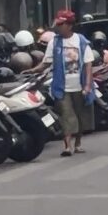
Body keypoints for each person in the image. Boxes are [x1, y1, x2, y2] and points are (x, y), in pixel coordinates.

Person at [40, 9, 95, 156]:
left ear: (69, 25)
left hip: (80, 85)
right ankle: (67, 146)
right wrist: (33, 70)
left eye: (61, 24)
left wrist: (88, 85)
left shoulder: (81, 41)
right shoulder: (54, 42)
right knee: (65, 115)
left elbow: (88, 64)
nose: (58, 27)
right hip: (61, 87)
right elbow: (46, 63)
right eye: (57, 24)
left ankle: (77, 143)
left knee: (80, 115)